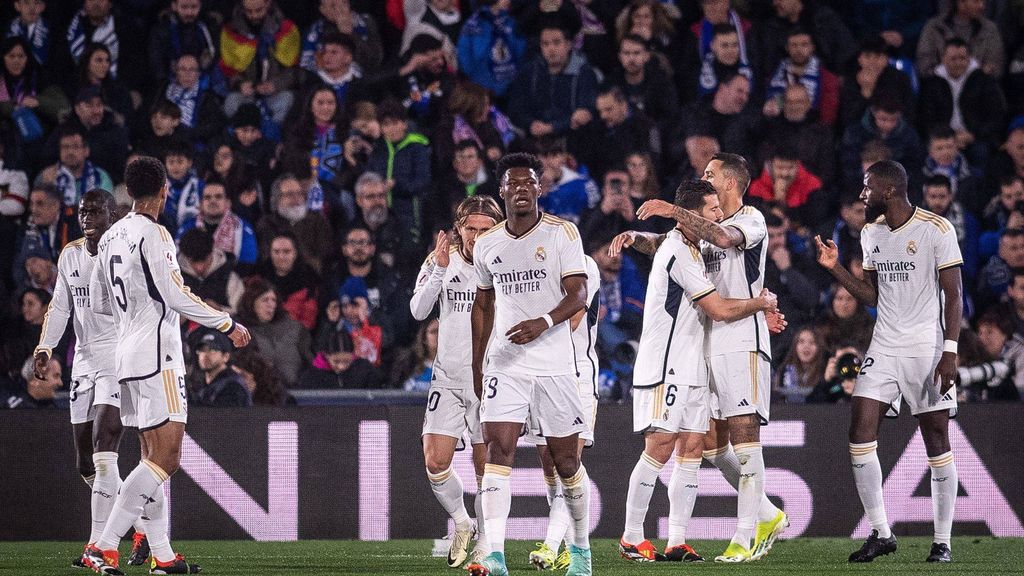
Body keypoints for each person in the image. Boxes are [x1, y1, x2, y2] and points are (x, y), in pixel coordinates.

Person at [82, 156, 250, 575]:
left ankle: (163, 555)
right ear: (164, 190)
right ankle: (102, 546)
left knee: (149, 455)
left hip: (126, 358)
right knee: (167, 458)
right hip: (158, 357)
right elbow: (176, 296)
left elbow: (101, 302)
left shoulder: (111, 236)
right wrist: (226, 322)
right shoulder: (154, 234)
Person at [634, 153, 789, 562]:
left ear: (732, 182)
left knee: (744, 436)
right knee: (710, 444)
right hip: (706, 341)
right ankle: (768, 512)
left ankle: (745, 536)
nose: (704, 177)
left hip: (741, 340)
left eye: (711, 174)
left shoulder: (750, 220)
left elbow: (722, 240)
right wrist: (638, 237)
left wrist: (671, 209)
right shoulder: (706, 224)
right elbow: (680, 245)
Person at [814, 159, 963, 563]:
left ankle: (942, 541)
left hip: (927, 347)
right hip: (884, 345)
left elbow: (954, 295)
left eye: (867, 188)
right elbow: (873, 296)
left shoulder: (936, 229)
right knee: (859, 431)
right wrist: (836, 269)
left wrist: (950, 351)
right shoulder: (872, 233)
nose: (863, 195)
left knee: (936, 440)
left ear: (890, 190)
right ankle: (881, 532)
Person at [467, 153, 592, 576]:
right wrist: (478, 363)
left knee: (566, 463)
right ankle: (495, 555)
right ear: (501, 191)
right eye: (513, 184)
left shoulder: (562, 234)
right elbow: (482, 303)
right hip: (506, 364)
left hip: (555, 364)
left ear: (540, 189)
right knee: (497, 451)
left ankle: (580, 549)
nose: (521, 189)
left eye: (529, 183)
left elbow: (578, 294)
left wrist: (542, 322)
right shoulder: (487, 244)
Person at [31, 189, 154, 569]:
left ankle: (97, 545)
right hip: (83, 362)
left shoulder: (125, 253)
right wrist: (46, 347)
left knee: (105, 448)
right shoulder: (70, 254)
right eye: (83, 212)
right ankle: (141, 530)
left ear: (113, 214)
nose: (87, 218)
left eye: (95, 211)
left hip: (118, 358)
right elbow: (61, 306)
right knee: (86, 463)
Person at [409, 195, 502, 568]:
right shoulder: (440, 259)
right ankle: (463, 522)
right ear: (458, 228)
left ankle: (484, 540)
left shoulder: (505, 262)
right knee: (435, 461)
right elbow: (417, 311)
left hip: (491, 379)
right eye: (471, 228)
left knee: (487, 471)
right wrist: (438, 270)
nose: (477, 236)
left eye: (485, 229)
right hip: (447, 376)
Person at [525, 252, 601, 571]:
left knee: (567, 462)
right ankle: (566, 544)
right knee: (549, 464)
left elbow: (571, 320)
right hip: (537, 373)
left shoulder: (584, 265)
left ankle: (552, 544)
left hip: (576, 373)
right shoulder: (524, 266)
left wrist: (527, 324)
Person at [192, 330, 251, 406]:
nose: (205, 355)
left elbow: (222, 415)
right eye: (202, 350)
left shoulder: (233, 386)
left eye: (212, 350)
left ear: (226, 356)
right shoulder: (200, 384)